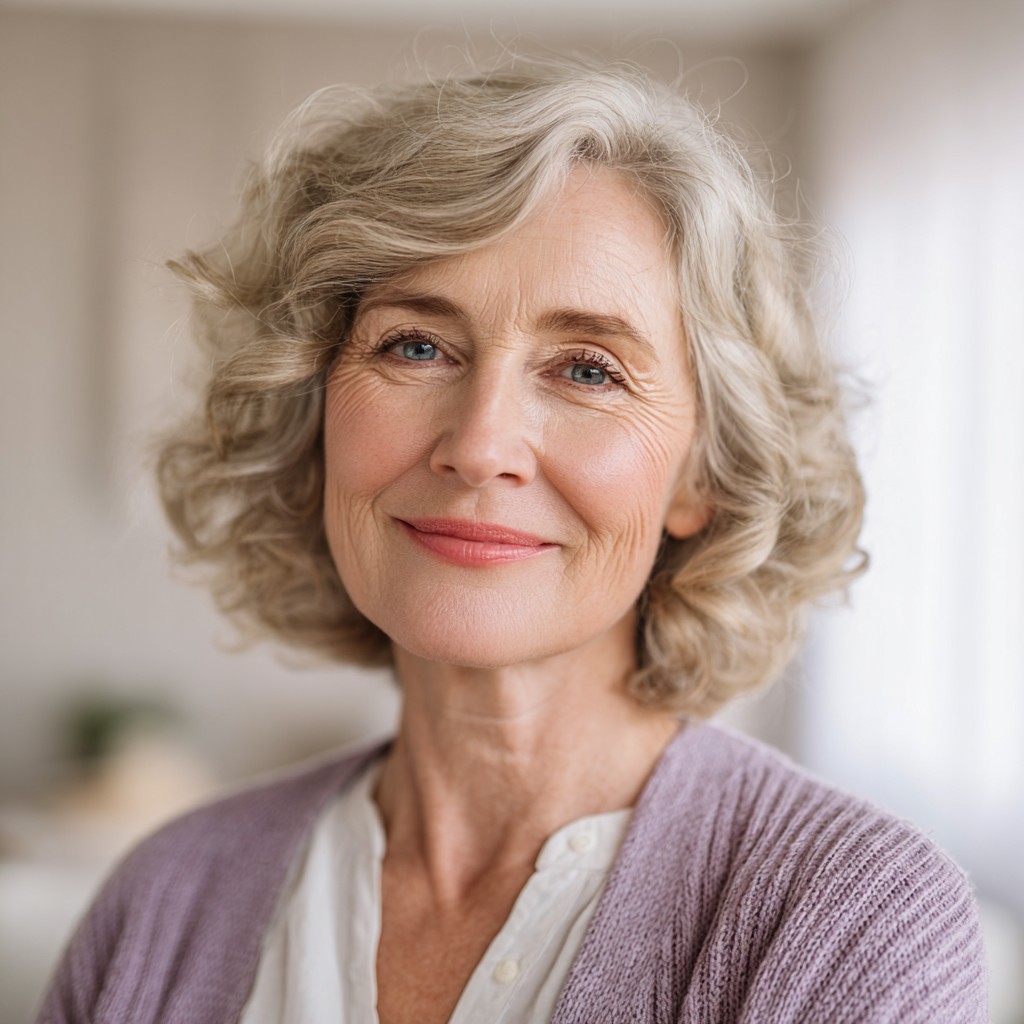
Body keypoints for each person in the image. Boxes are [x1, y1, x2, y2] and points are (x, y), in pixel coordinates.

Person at [37, 56, 987, 1023]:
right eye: (415, 345)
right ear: (312, 409)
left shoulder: (849, 924)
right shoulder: (159, 905)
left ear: (703, 475)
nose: (480, 445)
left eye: (586, 369)